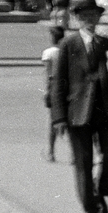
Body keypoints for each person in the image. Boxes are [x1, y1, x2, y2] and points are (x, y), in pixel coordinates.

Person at [50, 0, 108, 213]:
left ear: (98, 17)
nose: (90, 19)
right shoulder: (68, 44)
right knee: (84, 162)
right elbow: (58, 83)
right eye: (85, 16)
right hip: (76, 112)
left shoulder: (106, 44)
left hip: (102, 111)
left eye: (93, 15)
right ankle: (90, 209)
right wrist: (58, 117)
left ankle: (100, 194)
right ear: (78, 18)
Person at [41, 24, 66, 162]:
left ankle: (51, 152)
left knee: (53, 120)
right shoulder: (66, 51)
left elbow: (48, 74)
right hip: (67, 85)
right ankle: (74, 155)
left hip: (54, 86)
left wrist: (46, 91)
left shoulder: (48, 53)